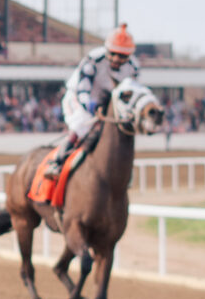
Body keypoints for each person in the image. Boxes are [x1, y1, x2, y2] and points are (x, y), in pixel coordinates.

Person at [32, 26, 140, 206]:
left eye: (122, 56)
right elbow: (83, 90)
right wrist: (92, 107)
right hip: (80, 98)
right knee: (83, 125)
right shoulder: (93, 60)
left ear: (129, 56)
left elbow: (131, 92)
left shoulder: (134, 67)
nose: (117, 59)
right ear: (107, 50)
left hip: (108, 102)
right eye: (113, 54)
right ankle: (57, 163)